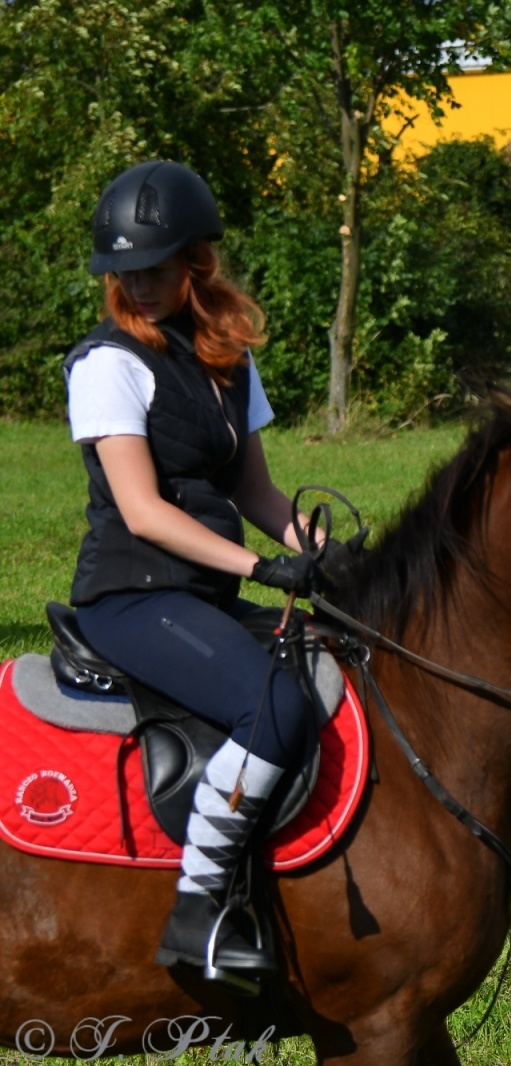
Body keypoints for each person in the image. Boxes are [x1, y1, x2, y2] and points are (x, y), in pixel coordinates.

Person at [65, 160, 328, 983]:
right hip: (131, 595)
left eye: (153, 269)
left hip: (200, 592)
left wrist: (313, 550)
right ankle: (200, 907)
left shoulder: (228, 361)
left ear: (195, 264)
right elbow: (142, 510)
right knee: (273, 705)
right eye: (124, 274)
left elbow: (253, 488)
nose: (137, 286)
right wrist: (261, 565)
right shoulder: (106, 364)